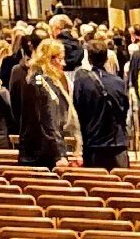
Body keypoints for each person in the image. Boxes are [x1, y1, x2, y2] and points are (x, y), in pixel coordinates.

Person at [73, 40, 130, 170]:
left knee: (97, 187)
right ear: (106, 58)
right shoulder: (119, 82)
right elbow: (124, 109)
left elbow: (78, 110)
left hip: (93, 144)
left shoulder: (81, 81)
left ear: (88, 58)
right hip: (117, 143)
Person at [20, 36, 75, 170]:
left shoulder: (35, 79)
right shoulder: (43, 84)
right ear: (49, 59)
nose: (64, 64)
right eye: (60, 59)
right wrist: (59, 154)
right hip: (43, 155)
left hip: (34, 151)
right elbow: (49, 120)